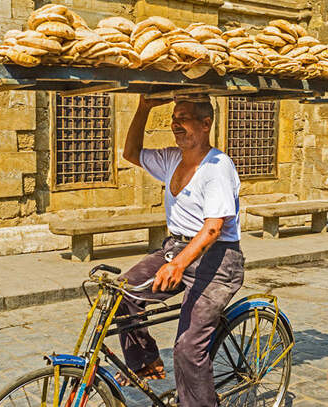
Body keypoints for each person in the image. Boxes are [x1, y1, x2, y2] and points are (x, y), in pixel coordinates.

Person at [116, 95, 245, 407]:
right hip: (177, 248)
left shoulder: (216, 167)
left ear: (205, 124)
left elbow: (213, 228)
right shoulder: (172, 159)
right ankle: (146, 362)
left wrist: (177, 266)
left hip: (218, 259)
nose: (176, 124)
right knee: (123, 292)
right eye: (174, 117)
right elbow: (130, 153)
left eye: (184, 117)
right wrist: (144, 107)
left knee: (188, 349)